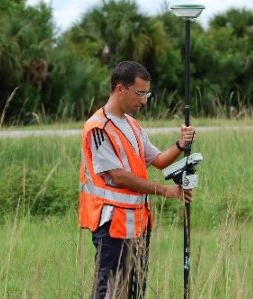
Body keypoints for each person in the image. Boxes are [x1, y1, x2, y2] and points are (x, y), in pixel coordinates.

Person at [79, 61, 196, 299]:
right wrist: (164, 191)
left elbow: (158, 160)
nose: (144, 101)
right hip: (112, 226)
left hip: (138, 223)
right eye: (140, 93)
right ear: (120, 89)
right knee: (108, 292)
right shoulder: (98, 127)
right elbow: (119, 177)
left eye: (147, 94)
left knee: (134, 291)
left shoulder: (132, 125)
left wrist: (180, 144)